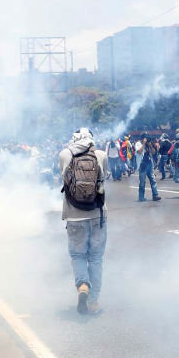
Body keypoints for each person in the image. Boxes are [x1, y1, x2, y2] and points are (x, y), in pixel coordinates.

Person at [59, 128, 108, 315]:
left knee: (78, 256)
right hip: (97, 214)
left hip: (74, 216)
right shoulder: (101, 154)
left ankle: (83, 287)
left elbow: (64, 180)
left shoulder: (65, 154)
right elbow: (104, 179)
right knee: (95, 259)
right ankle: (94, 301)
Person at [136, 132, 162, 202]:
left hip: (149, 164)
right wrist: (144, 144)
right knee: (142, 182)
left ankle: (155, 195)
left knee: (153, 180)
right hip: (142, 165)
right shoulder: (138, 144)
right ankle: (141, 197)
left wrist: (150, 146)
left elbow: (153, 153)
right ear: (142, 139)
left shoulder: (148, 145)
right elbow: (139, 151)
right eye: (145, 138)